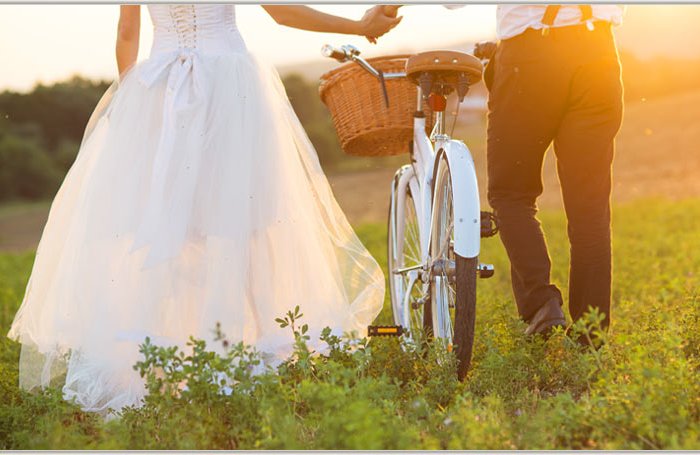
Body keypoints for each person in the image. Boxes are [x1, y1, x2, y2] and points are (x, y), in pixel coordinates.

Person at [7, 4, 401, 414]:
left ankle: (161, 357)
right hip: (229, 84)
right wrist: (358, 26)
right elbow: (281, 12)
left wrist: (133, 104)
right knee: (244, 223)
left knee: (170, 225)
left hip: (161, 87)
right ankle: (257, 348)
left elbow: (127, 32)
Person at [484, 5, 624, 338]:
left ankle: (541, 305)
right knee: (589, 210)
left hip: (533, 58)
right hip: (599, 56)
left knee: (510, 194)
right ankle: (591, 336)